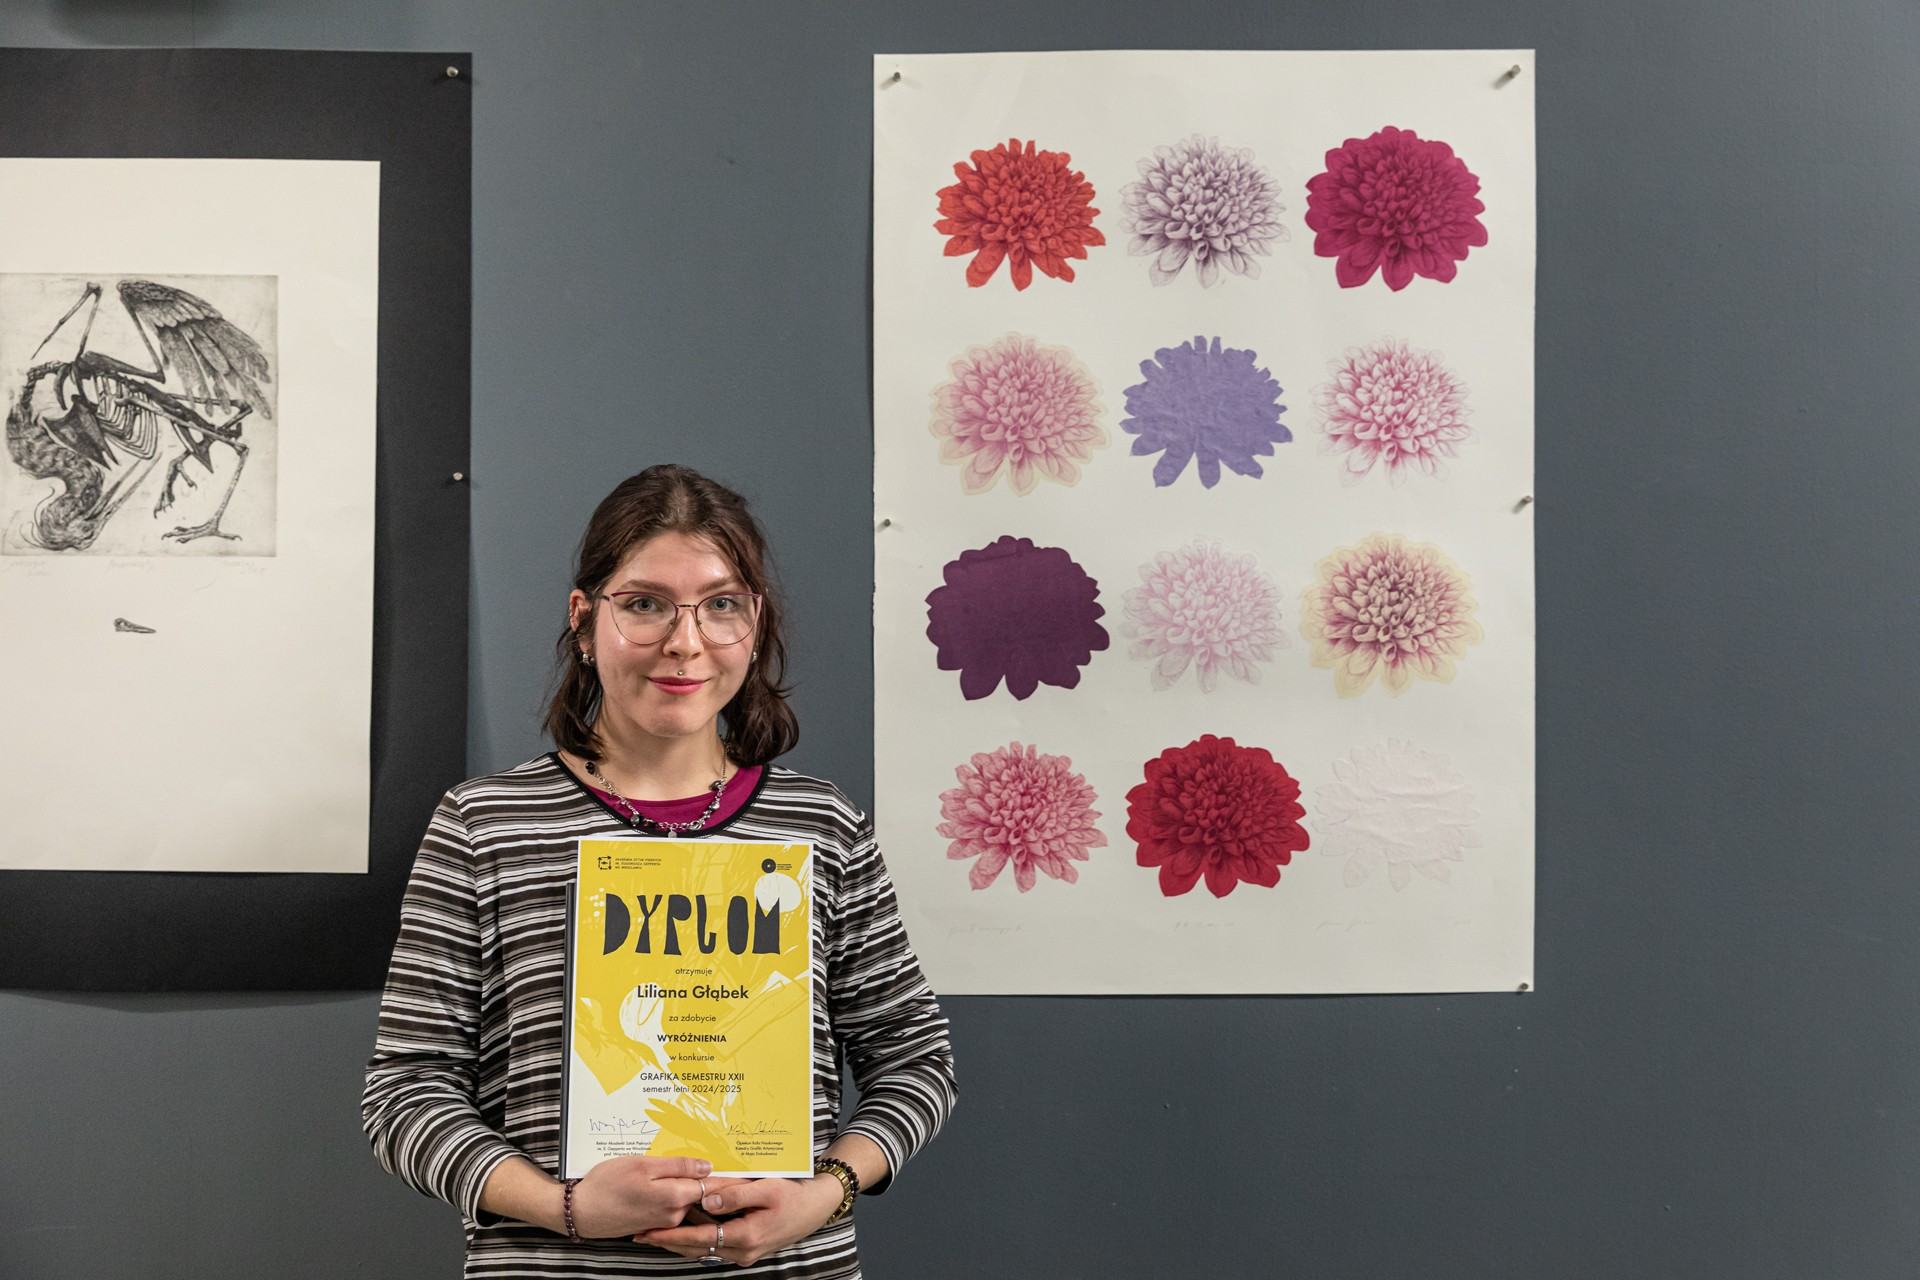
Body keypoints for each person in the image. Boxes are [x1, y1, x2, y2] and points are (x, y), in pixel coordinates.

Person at [363, 464, 957, 1277]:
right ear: (584, 621)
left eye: (721, 605)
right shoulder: (484, 825)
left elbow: (916, 1063)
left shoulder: (825, 827)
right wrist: (566, 1208)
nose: (685, 642)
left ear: (755, 622)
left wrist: (827, 1193)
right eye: (645, 604)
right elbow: (405, 1093)